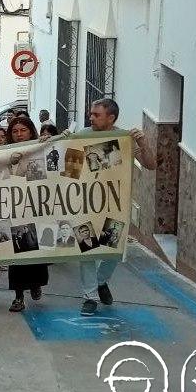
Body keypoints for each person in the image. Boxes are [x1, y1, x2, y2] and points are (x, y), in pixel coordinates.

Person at [79, 98, 156, 316]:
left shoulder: (125, 140)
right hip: (85, 204)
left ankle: (101, 282)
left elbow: (150, 165)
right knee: (86, 251)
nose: (91, 118)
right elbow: (68, 168)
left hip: (115, 204)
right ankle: (90, 297)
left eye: (96, 115)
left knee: (113, 250)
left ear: (111, 117)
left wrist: (143, 144)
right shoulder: (81, 137)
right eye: (91, 114)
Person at [5, 116, 49, 313]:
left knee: (35, 253)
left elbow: (40, 179)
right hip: (13, 211)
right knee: (17, 258)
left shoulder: (41, 149)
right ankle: (18, 296)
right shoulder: (4, 153)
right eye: (15, 131)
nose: (19, 134)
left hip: (35, 209)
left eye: (23, 130)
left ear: (31, 131)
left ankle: (36, 284)